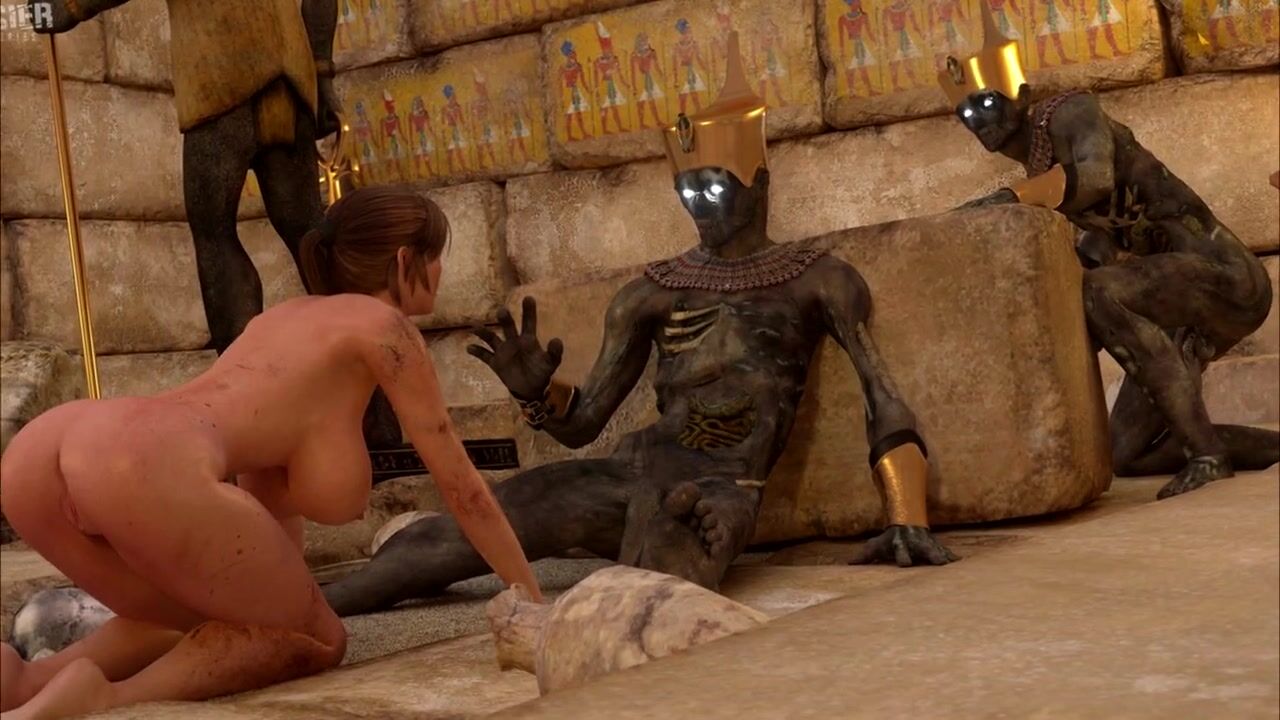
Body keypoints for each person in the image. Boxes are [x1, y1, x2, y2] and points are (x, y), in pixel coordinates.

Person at [321, 33, 955, 619]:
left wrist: (908, 518)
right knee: (452, 540)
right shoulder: (650, 294)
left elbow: (883, 398)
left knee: (660, 578)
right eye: (688, 194)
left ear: (759, 183)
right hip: (627, 471)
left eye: (714, 192)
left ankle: (640, 584)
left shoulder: (817, 280)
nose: (699, 209)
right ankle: (314, 605)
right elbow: (582, 424)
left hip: (723, 483)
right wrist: (538, 394)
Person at [0, 187, 543, 719]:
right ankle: (102, 700)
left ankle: (26, 681)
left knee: (204, 617)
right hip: (138, 459)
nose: (442, 271)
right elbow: (461, 486)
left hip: (45, 450)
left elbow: (265, 511)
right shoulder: (385, 328)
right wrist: (536, 606)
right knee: (318, 639)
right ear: (405, 262)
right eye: (437, 255)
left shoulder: (276, 323)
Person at [940, 5, 1279, 500]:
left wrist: (1011, 198)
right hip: (1172, 303)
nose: (980, 120)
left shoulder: (1069, 113)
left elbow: (1096, 179)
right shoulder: (1041, 170)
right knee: (1127, 454)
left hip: (1228, 275)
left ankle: (1209, 456)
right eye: (967, 112)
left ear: (1021, 95)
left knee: (1097, 293)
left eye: (988, 102)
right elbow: (1097, 245)